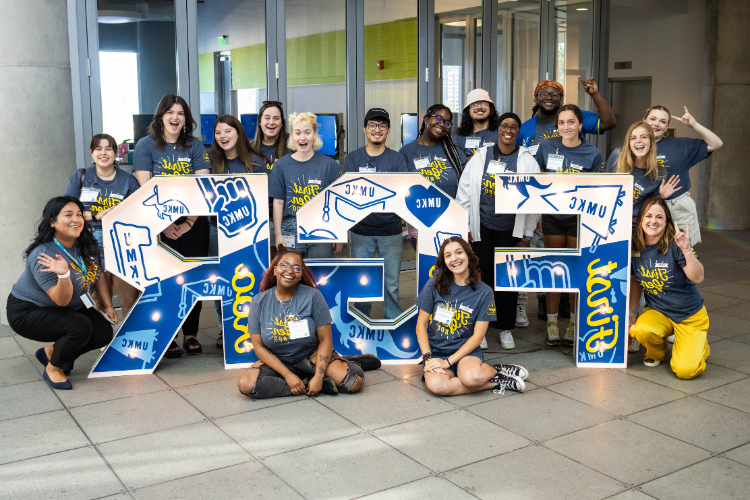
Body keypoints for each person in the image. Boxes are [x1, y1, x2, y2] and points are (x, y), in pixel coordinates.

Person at [6, 197, 117, 390]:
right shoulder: (44, 255)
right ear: (52, 222)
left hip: (70, 305)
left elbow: (98, 275)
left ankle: (51, 352)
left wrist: (108, 305)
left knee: (103, 332)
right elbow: (61, 299)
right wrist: (64, 274)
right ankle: (54, 367)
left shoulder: (85, 244)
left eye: (79, 215)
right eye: (68, 215)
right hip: (29, 310)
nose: (76, 219)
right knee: (80, 327)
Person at [133, 94, 210, 358]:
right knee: (163, 278)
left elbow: (204, 188)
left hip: (194, 222)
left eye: (180, 113)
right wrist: (163, 223)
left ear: (186, 119)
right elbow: (144, 188)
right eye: (170, 112)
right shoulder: (146, 145)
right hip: (157, 223)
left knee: (192, 277)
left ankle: (190, 333)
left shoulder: (195, 147)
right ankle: (167, 334)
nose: (175, 117)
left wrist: (189, 222)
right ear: (161, 116)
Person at [456, 112, 540, 350]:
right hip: (482, 227)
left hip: (511, 231)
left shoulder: (526, 160)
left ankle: (505, 328)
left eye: (514, 127)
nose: (509, 130)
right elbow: (464, 191)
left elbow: (534, 201)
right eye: (505, 125)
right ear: (498, 129)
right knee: (482, 280)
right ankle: (480, 331)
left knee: (507, 280)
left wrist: (527, 236)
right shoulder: (482, 156)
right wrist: (466, 227)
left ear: (518, 131)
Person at [237, 248, 366, 398]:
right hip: (278, 360)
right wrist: (288, 375)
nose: (290, 271)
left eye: (297, 268)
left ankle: (344, 365)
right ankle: (315, 384)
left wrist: (318, 376)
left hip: (310, 357)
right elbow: (258, 346)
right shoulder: (259, 302)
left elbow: (325, 339)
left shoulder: (313, 296)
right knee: (246, 384)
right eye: (284, 265)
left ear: (300, 275)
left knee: (354, 381)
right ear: (275, 270)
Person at [415, 236, 528, 396]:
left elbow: (478, 336)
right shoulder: (434, 285)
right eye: (448, 255)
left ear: (469, 255)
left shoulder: (484, 292)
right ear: (444, 261)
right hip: (438, 352)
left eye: (459, 252)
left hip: (466, 352)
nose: (454, 259)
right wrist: (428, 358)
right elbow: (421, 324)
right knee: (438, 386)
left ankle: (489, 371)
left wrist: (448, 362)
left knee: (472, 378)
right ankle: (496, 381)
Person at [535, 104, 603, 347]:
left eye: (571, 122)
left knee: (574, 271)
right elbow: (537, 180)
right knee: (555, 269)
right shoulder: (545, 147)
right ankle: (552, 323)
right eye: (562, 122)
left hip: (579, 218)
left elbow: (596, 191)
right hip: (552, 216)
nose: (566, 127)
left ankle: (574, 322)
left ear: (580, 125)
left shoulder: (592, 153)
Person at [606, 105, 722, 247]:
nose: (656, 123)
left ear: (667, 127)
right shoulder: (626, 152)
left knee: (682, 252)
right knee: (651, 253)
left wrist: (693, 124)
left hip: (676, 206)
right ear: (644, 121)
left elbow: (716, 143)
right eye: (653, 119)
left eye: (662, 121)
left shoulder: (680, 146)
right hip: (643, 208)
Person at [628, 197, 709, 379]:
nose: (653, 221)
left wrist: (687, 250)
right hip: (659, 312)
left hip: (689, 316)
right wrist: (632, 311)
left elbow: (698, 277)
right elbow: (635, 280)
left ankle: (699, 344)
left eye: (659, 217)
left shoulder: (676, 243)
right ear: (641, 219)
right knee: (640, 329)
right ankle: (656, 352)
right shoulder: (636, 246)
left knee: (685, 371)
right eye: (648, 216)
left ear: (667, 221)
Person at [64, 134, 141, 318]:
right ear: (92, 153)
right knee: (97, 297)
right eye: (98, 148)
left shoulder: (128, 181)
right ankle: (104, 339)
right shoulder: (81, 177)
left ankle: (128, 339)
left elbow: (139, 211)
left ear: (116, 153)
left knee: (128, 298)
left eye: (108, 148)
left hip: (121, 242)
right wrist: (96, 216)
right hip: (88, 242)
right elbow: (66, 211)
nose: (103, 153)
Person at [344, 108, 408, 320]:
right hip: (360, 230)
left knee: (391, 283)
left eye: (382, 125)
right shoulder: (353, 159)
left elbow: (400, 193)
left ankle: (395, 325)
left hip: (391, 230)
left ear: (388, 130)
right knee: (362, 281)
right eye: (372, 125)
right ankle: (361, 324)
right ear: (364, 129)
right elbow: (348, 193)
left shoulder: (397, 160)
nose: (377, 130)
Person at [208, 115, 257, 349]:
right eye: (218, 132)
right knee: (221, 281)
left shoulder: (256, 163)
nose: (223, 136)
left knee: (248, 280)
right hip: (217, 231)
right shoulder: (209, 162)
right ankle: (224, 327)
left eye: (228, 131)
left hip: (249, 233)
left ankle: (251, 327)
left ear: (238, 133)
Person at [269, 112, 342, 258]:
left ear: (314, 134)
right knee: (292, 276)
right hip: (290, 228)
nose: (302, 137)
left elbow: (336, 201)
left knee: (320, 276)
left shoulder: (329, 165)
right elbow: (278, 202)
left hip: (322, 228)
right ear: (292, 135)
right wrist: (278, 234)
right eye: (298, 133)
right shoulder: (281, 165)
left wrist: (338, 233)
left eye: (307, 132)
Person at [517, 77, 617, 153]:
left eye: (554, 94)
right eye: (544, 94)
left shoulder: (576, 116)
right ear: (536, 98)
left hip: (572, 178)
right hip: (540, 180)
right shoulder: (524, 129)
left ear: (561, 99)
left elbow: (609, 123)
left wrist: (594, 94)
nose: (549, 97)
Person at [609, 121, 681, 225]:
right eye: (633, 138)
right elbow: (601, 186)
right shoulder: (617, 156)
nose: (638, 141)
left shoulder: (659, 173)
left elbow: (650, 207)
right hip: (609, 220)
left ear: (651, 142)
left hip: (635, 225)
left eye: (643, 137)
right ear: (628, 143)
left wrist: (660, 197)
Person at [399, 104, 467, 199]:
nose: (442, 125)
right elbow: (400, 188)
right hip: (416, 212)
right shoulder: (406, 151)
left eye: (447, 123)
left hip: (450, 212)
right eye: (439, 119)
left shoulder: (455, 153)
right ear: (426, 119)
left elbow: (467, 189)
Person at [249, 101, 290, 250]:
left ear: (282, 123)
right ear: (260, 121)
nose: (271, 122)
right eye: (267, 118)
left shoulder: (292, 148)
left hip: (287, 218)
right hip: (259, 218)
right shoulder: (248, 150)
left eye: (276, 118)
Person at [453, 89, 499, 159]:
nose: (479, 107)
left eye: (484, 103)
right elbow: (455, 162)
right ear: (468, 110)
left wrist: (470, 159)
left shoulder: (500, 133)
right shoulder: (459, 137)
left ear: (491, 108)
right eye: (474, 104)